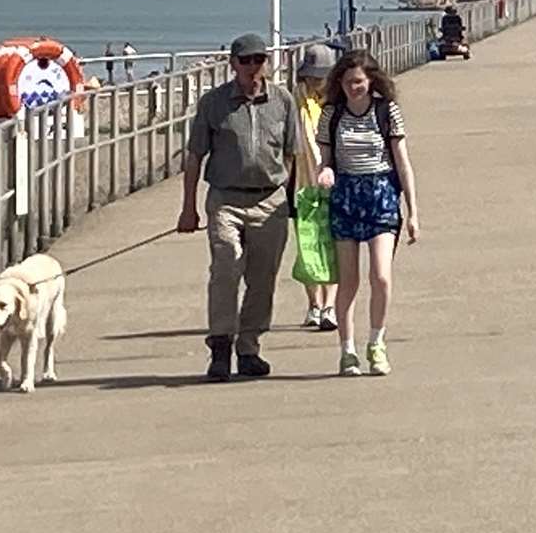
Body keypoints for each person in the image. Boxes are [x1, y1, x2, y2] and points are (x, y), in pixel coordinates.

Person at [178, 33, 297, 382]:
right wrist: (189, 208)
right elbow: (195, 155)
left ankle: (249, 347)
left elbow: (291, 152)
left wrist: (287, 195)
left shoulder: (283, 101)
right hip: (225, 198)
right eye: (245, 60)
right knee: (226, 265)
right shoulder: (214, 103)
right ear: (232, 64)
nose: (253, 67)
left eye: (259, 59)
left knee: (263, 278)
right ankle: (220, 346)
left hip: (269, 198)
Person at [316, 49, 418, 377]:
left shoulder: (386, 112)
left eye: (358, 81)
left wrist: (413, 211)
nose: (353, 88)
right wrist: (325, 172)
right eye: (347, 82)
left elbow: (402, 162)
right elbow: (325, 159)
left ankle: (377, 342)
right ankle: (347, 351)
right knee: (348, 282)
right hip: (345, 197)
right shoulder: (331, 114)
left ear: (371, 81)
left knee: (381, 276)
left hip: (381, 196)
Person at [293, 44, 338, 331]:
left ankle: (330, 306)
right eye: (312, 77)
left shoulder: (337, 102)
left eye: (320, 77)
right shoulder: (294, 102)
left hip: (335, 183)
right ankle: (314, 304)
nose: (316, 82)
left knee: (335, 245)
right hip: (302, 183)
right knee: (307, 247)